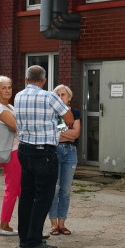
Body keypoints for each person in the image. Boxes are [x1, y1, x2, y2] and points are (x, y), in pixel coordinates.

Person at [14, 65, 74, 248]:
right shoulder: (50, 96)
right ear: (44, 80)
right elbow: (69, 118)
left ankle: (24, 237)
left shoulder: (18, 96)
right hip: (44, 152)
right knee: (44, 196)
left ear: (26, 79)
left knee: (27, 195)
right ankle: (34, 240)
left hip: (24, 149)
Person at [49, 84, 81, 236]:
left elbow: (76, 134)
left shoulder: (74, 112)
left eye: (63, 94)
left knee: (65, 190)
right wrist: (67, 132)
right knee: (54, 189)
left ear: (69, 98)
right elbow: (51, 134)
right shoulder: (51, 112)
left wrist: (59, 132)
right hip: (54, 151)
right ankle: (53, 224)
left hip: (70, 152)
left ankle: (63, 224)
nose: (61, 97)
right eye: (58, 95)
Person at [0, 76, 20, 236]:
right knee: (12, 188)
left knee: (20, 189)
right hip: (11, 152)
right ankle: (4, 225)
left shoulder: (9, 106)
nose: (7, 90)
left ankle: (25, 224)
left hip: (16, 150)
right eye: (3, 87)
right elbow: (17, 127)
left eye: (9, 87)